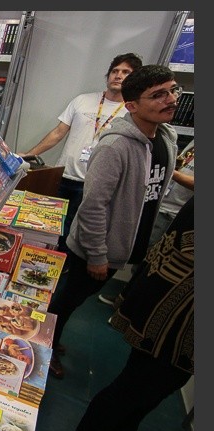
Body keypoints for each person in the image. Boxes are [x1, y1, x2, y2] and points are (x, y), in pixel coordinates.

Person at [46, 64, 180, 379]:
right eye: (158, 95)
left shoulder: (166, 137)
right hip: (97, 248)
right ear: (132, 106)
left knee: (76, 298)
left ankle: (51, 336)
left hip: (126, 242)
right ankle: (43, 345)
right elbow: (93, 205)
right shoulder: (115, 146)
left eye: (173, 91)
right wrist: (97, 254)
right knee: (68, 299)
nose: (170, 99)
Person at [73, 195, 193, 431]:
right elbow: (94, 203)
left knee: (138, 399)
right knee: (131, 394)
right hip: (173, 323)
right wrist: (97, 254)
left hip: (174, 319)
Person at [21, 53, 143, 254]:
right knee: (49, 228)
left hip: (94, 185)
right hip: (63, 176)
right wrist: (29, 155)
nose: (118, 75)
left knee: (76, 235)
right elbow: (58, 133)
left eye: (126, 72)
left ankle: (65, 266)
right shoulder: (83, 100)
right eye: (115, 71)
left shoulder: (132, 112)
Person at [98, 139, 194, 305]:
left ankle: (129, 302)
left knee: (151, 262)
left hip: (175, 214)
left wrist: (170, 172)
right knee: (144, 256)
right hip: (162, 205)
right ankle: (127, 298)